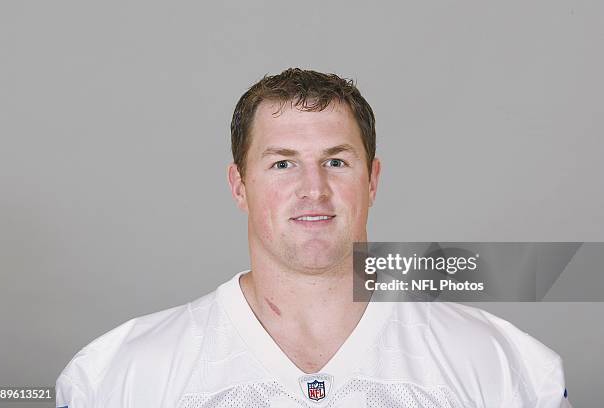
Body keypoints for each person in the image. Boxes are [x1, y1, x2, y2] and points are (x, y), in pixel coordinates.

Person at [56, 68, 572, 407]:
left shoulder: (504, 367)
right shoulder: (118, 375)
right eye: (283, 163)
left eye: (336, 162)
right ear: (240, 185)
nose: (313, 189)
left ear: (371, 180)